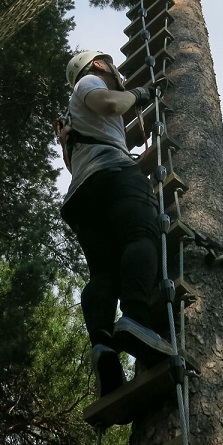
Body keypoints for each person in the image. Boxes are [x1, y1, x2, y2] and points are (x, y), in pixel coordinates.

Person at [60, 50, 173, 397]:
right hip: (112, 175)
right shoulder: (88, 83)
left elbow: (76, 158)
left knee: (104, 274)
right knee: (143, 235)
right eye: (109, 63)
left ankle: (102, 346)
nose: (115, 70)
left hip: (82, 195)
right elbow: (109, 104)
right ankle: (136, 319)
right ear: (97, 65)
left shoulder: (69, 122)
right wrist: (139, 94)